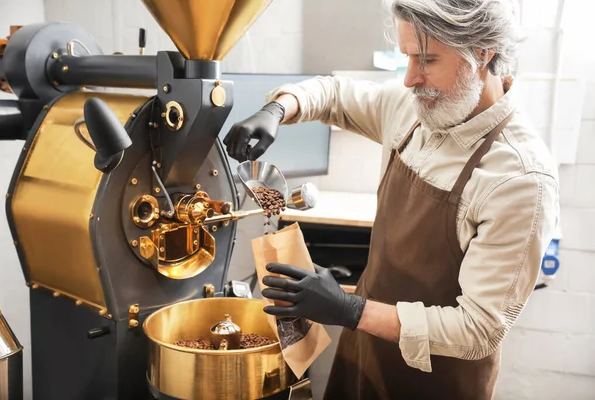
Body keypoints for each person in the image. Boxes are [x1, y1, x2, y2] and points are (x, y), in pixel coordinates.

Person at [223, 0, 560, 398]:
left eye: (427, 59)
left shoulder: (519, 177)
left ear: (482, 53)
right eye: (407, 58)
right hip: (365, 347)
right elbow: (332, 94)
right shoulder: (416, 110)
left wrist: (350, 310)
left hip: (436, 380)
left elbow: (479, 330)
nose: (410, 79)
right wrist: (278, 109)